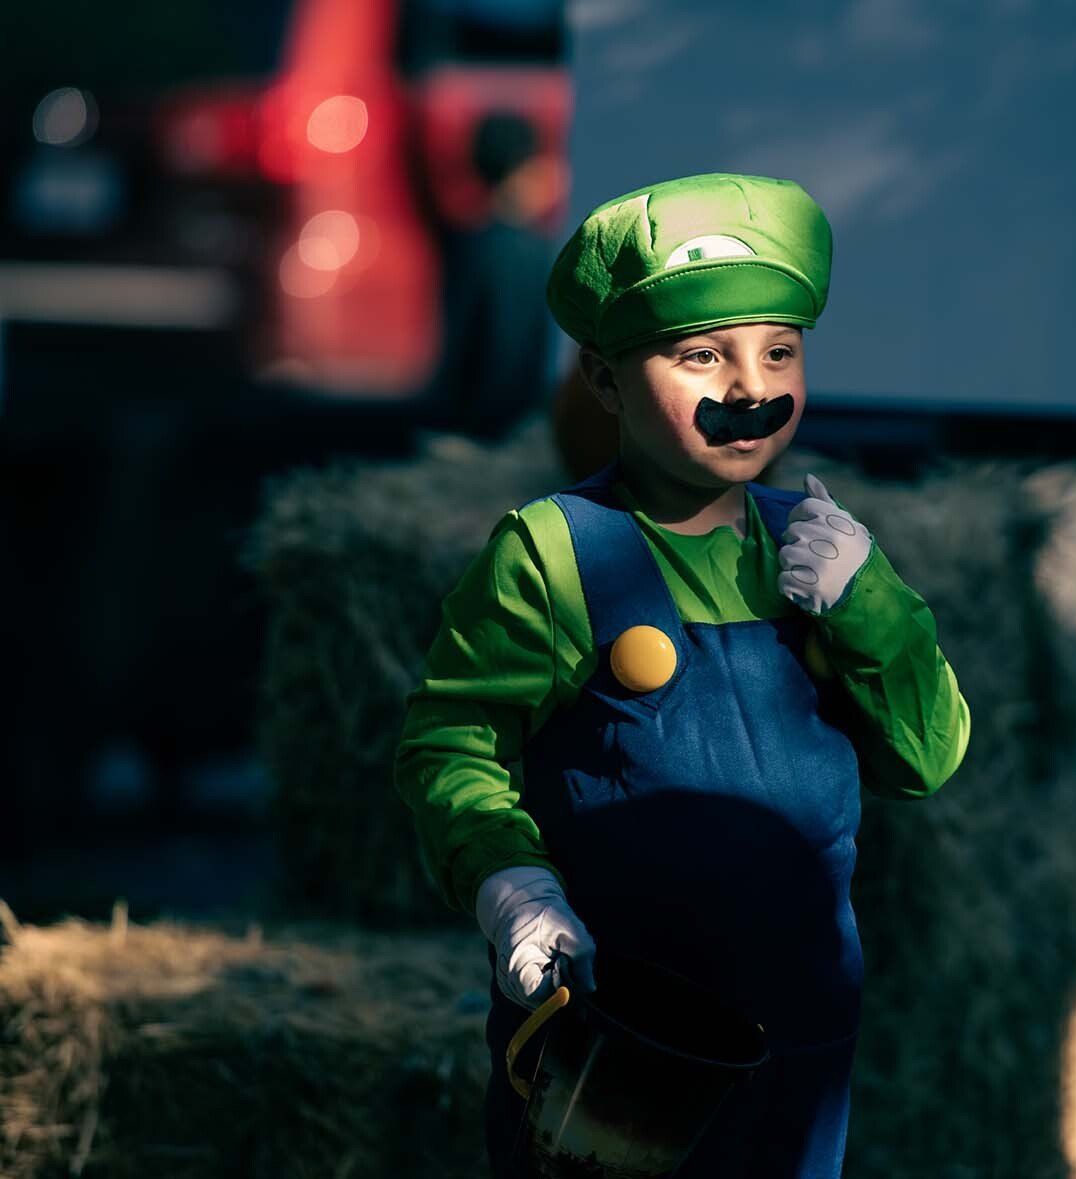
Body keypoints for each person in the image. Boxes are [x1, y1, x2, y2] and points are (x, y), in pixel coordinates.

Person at [393, 172, 972, 1177]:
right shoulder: (556, 553)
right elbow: (454, 745)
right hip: (616, 1041)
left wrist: (872, 604)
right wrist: (511, 886)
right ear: (603, 381)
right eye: (700, 356)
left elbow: (924, 759)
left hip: (798, 1033)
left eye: (777, 353)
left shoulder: (817, 552)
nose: (748, 389)